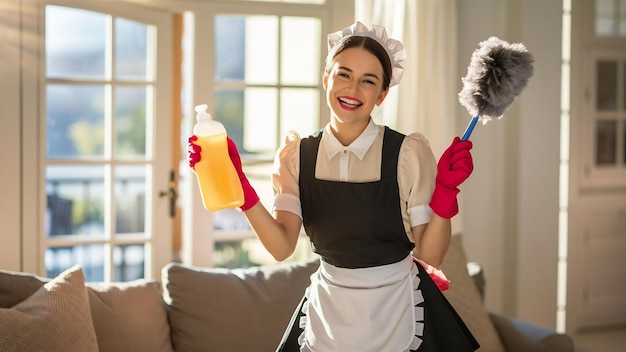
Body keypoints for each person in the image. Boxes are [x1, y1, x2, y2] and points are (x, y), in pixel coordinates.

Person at [188, 21, 479, 352]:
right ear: (326, 78)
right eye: (344, 74)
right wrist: (240, 187)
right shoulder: (297, 157)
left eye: (368, 81)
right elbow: (282, 247)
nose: (353, 89)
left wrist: (445, 191)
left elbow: (430, 255)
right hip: (328, 312)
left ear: (382, 93)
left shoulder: (407, 154)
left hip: (399, 307)